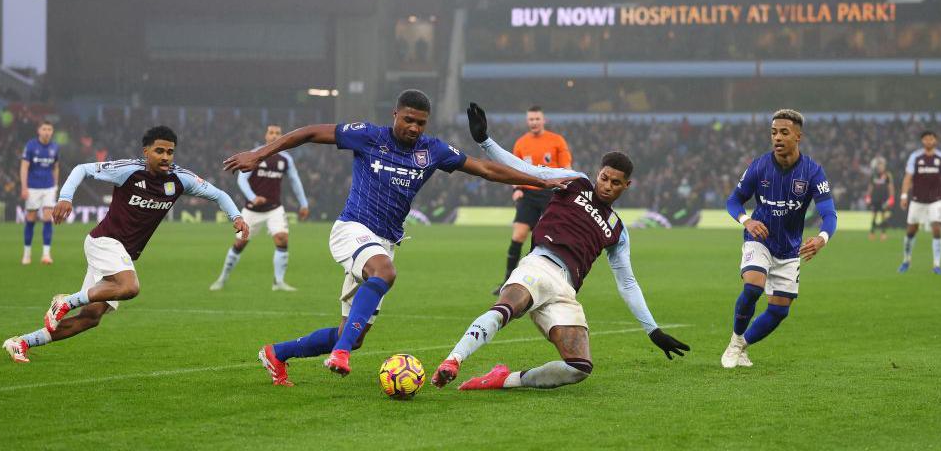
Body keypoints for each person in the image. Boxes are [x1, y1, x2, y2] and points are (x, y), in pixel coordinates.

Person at [223, 90, 572, 385]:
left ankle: (277, 353)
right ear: (395, 115)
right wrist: (259, 153)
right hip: (352, 230)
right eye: (408, 120)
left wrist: (538, 181)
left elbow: (483, 168)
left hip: (384, 242)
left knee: (355, 333)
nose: (413, 128)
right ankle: (339, 355)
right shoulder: (368, 135)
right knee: (385, 273)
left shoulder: (431, 150)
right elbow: (311, 133)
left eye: (420, 123)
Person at [430, 103, 689, 391]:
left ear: (626, 186)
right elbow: (525, 169)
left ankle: (504, 379)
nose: (606, 185)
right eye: (603, 177)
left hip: (565, 291)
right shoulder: (575, 182)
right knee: (505, 308)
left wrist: (653, 330)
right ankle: (453, 360)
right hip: (538, 266)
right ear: (598, 173)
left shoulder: (618, 229)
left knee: (579, 368)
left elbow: (627, 283)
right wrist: (484, 141)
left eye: (615, 183)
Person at [1, 126, 249, 363]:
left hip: (123, 253)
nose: (165, 157)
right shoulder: (128, 170)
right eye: (159, 151)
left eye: (170, 152)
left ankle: (21, 342)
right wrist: (65, 197)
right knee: (130, 286)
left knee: (91, 318)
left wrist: (236, 217)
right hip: (104, 242)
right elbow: (81, 169)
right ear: (146, 152)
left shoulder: (180, 178)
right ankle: (64, 302)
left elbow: (218, 194)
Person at [720, 109, 837, 369]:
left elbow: (829, 213)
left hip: (789, 247)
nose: (777, 138)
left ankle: (741, 346)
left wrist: (822, 238)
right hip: (759, 237)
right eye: (773, 132)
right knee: (752, 287)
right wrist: (747, 221)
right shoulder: (759, 166)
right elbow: (733, 200)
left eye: (784, 132)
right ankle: (735, 341)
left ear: (798, 136)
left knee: (779, 311)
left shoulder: (813, 172)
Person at [211, 124, 310, 291]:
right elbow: (241, 180)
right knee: (239, 243)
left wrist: (304, 203)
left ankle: (278, 282)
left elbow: (295, 181)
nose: (274, 136)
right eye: (271, 133)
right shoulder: (255, 155)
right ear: (266, 135)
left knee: (282, 239)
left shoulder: (285, 159)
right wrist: (252, 197)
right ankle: (222, 278)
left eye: (278, 133)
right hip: (251, 211)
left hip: (275, 208)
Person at [494, 105, 572, 294]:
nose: (534, 122)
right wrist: (517, 188)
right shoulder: (521, 143)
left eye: (537, 119)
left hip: (550, 194)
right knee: (518, 235)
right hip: (528, 194)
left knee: (550, 238)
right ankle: (507, 281)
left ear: (543, 120)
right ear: (527, 121)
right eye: (531, 119)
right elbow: (515, 170)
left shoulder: (556, 140)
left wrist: (564, 191)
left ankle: (558, 280)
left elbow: (567, 168)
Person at [899, 131, 941, 275]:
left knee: (937, 229)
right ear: (922, 141)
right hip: (918, 200)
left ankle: (937, 264)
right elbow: (908, 178)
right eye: (926, 139)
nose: (929, 141)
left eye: (931, 139)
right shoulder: (915, 157)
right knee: (911, 230)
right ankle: (906, 260)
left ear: (936, 140)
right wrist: (904, 196)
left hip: (936, 200)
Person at [20, 120, 59, 265]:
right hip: (33, 187)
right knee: (31, 218)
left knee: (48, 218)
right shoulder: (31, 146)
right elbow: (24, 167)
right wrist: (24, 187)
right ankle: (27, 254)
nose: (47, 132)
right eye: (44, 129)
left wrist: (55, 185)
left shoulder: (55, 147)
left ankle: (46, 255)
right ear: (39, 130)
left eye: (49, 129)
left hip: (48, 187)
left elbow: (56, 167)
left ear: (52, 131)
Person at [865, 156, 894, 241]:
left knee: (883, 216)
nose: (880, 167)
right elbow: (870, 187)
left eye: (882, 165)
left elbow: (890, 187)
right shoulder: (873, 175)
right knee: (874, 215)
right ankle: (872, 232)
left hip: (884, 198)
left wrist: (891, 197)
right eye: (879, 165)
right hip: (875, 198)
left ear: (884, 166)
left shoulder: (887, 175)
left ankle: (883, 233)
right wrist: (868, 196)